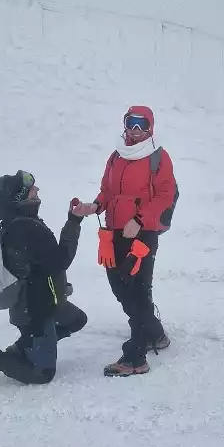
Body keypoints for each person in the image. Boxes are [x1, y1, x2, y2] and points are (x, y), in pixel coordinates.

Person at [0, 170, 87, 391]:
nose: (37, 190)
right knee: (42, 373)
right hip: (35, 311)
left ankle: (26, 347)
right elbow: (60, 261)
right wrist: (74, 221)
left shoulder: (20, 222)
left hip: (47, 300)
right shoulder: (25, 228)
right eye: (31, 189)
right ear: (20, 198)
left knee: (76, 320)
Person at [73, 105, 175, 377]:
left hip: (142, 234)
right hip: (115, 232)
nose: (136, 130)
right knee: (120, 287)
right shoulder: (116, 156)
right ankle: (154, 333)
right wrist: (92, 207)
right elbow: (107, 192)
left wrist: (139, 221)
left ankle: (135, 358)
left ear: (151, 127)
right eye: (132, 123)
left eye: (142, 124)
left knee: (138, 291)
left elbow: (166, 195)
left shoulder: (158, 157)